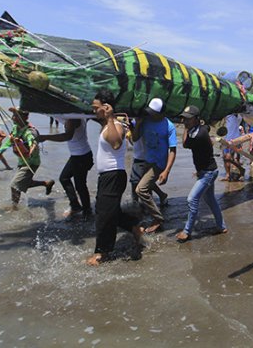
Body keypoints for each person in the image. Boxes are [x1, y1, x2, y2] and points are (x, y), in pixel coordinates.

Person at [87, 89, 143, 266]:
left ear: (106, 108)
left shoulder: (115, 125)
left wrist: (111, 118)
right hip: (107, 176)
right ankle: (134, 227)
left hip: (113, 175)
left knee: (104, 214)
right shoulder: (105, 124)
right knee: (111, 211)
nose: (94, 111)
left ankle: (102, 253)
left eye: (96, 108)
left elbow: (117, 143)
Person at [176, 105, 227, 242]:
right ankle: (221, 227)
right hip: (207, 170)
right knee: (210, 200)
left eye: (188, 119)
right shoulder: (200, 129)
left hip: (208, 173)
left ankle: (187, 231)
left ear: (197, 119)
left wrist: (185, 129)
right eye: (184, 119)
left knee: (192, 199)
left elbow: (185, 144)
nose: (185, 121)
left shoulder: (199, 134)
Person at [0, 107, 54, 209]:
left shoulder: (29, 131)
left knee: (14, 185)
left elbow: (33, 142)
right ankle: (46, 183)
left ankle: (14, 207)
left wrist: (31, 150)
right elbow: (10, 141)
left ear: (24, 117)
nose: (13, 118)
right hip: (22, 161)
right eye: (13, 116)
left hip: (31, 162)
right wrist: (1, 151)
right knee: (24, 183)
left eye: (16, 116)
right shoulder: (15, 128)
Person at [39, 118, 95, 219]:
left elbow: (67, 136)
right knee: (64, 178)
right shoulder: (79, 116)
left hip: (80, 156)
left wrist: (45, 137)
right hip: (80, 155)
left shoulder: (72, 119)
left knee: (80, 185)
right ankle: (76, 206)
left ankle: (87, 212)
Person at [133, 98, 174, 233]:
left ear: (162, 113)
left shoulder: (169, 126)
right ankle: (162, 196)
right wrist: (138, 124)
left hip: (159, 163)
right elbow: (134, 138)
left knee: (141, 189)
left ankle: (158, 218)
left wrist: (166, 171)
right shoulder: (146, 121)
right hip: (148, 160)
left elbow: (172, 150)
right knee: (146, 184)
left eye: (154, 113)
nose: (151, 114)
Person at [221, 112, 245, 181]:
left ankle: (240, 170)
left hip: (235, 139)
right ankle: (228, 174)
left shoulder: (237, 115)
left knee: (229, 157)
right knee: (227, 157)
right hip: (229, 138)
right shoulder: (236, 115)